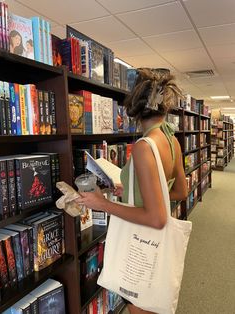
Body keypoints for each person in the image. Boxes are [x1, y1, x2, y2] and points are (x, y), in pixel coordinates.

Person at [76, 68, 188, 314]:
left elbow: (156, 219)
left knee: (140, 303)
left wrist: (102, 204)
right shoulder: (172, 140)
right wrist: (133, 193)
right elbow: (180, 191)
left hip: (142, 245)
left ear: (134, 107)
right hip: (154, 248)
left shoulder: (143, 147)